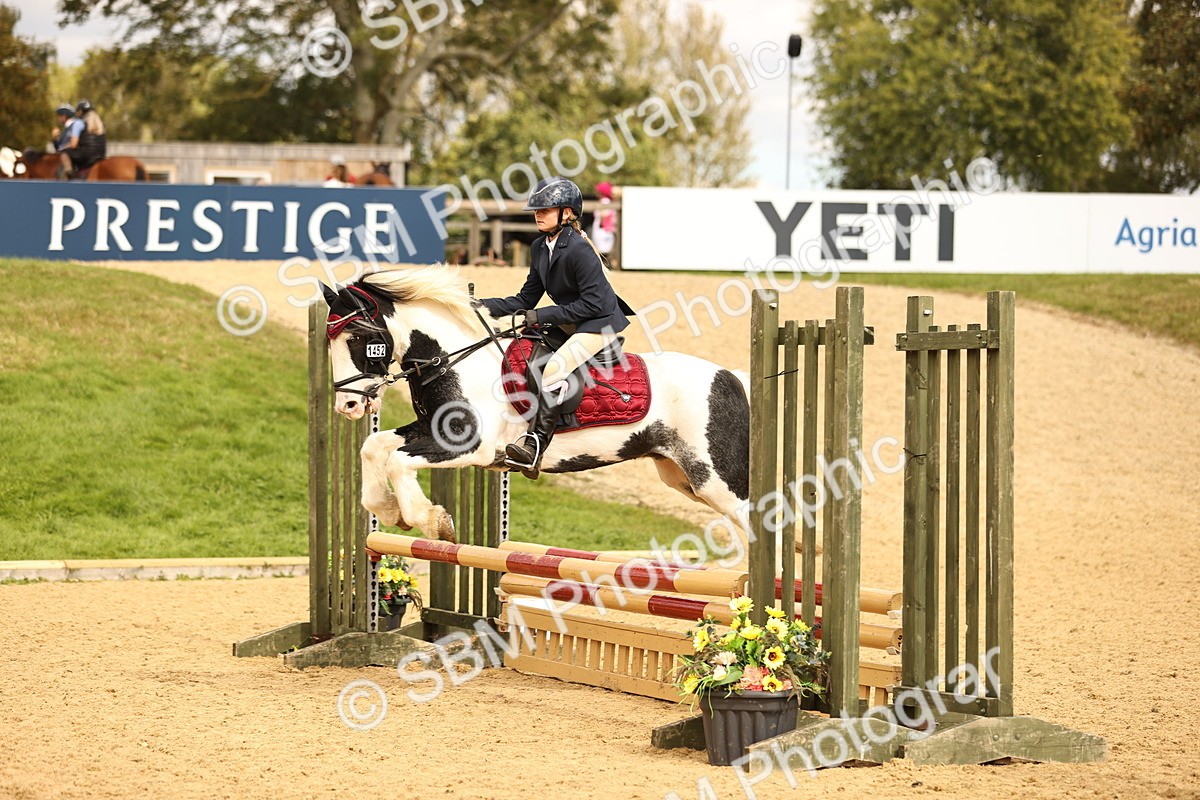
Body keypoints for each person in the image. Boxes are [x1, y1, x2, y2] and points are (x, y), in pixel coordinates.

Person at [479, 176, 635, 478]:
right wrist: (480, 305)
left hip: (598, 324)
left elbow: (594, 305)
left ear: (567, 213)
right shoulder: (540, 247)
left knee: (552, 370)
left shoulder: (579, 249)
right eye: (536, 210)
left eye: (545, 210)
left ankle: (535, 446)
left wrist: (543, 315)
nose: (538, 215)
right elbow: (524, 299)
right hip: (569, 321)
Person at [73, 99, 107, 173]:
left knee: (65, 153)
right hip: (101, 156)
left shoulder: (79, 123)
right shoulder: (101, 126)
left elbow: (74, 144)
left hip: (87, 157)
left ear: (81, 112)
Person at [53, 104, 85, 179]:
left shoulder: (75, 125)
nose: (59, 118)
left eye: (60, 116)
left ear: (64, 116)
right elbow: (59, 148)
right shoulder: (66, 128)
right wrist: (55, 139)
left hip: (75, 159)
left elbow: (70, 145)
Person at [590, 181, 618, 262]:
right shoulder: (609, 201)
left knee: (601, 252)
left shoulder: (604, 201)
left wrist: (602, 224)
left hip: (602, 230)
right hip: (607, 230)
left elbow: (603, 215)